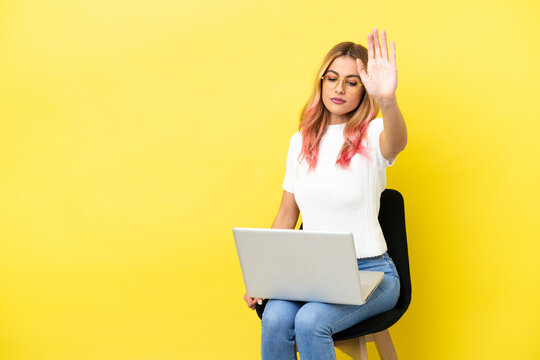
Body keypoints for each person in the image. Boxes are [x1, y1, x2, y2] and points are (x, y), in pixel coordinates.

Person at [243, 28, 407, 360]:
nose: (339, 88)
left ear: (364, 90)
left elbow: (397, 142)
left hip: (372, 273)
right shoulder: (299, 141)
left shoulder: (374, 132)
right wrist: (262, 277)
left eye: (352, 81)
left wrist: (388, 101)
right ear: (321, 81)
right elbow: (287, 214)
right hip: (311, 275)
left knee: (310, 322)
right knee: (275, 317)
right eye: (332, 78)